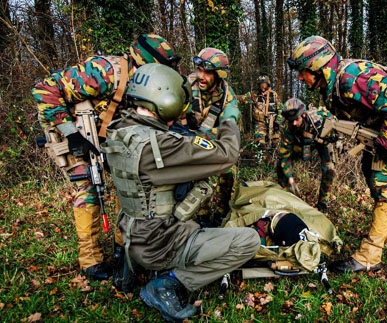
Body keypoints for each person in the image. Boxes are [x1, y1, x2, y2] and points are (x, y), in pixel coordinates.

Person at [102, 63, 260, 321]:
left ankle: (135, 271)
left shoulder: (120, 129)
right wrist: (230, 119)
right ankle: (168, 283)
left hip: (132, 236)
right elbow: (228, 155)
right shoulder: (160, 145)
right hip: (160, 245)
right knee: (248, 241)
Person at [287, 36, 387, 273]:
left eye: (302, 71)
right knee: (369, 166)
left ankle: (369, 255)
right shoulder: (334, 84)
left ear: (317, 66)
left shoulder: (352, 79)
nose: (300, 77)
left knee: (384, 178)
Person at [32, 34, 181, 280]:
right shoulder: (105, 72)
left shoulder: (144, 82)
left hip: (106, 139)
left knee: (131, 186)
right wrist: (71, 134)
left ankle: (122, 249)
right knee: (89, 191)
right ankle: (90, 262)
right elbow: (44, 89)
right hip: (74, 136)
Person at [183, 47, 239, 226]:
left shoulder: (227, 97)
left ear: (218, 75)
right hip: (187, 143)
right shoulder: (186, 87)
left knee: (228, 172)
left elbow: (229, 130)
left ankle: (221, 212)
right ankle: (202, 215)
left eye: (207, 73)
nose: (201, 76)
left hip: (214, 142)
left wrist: (208, 134)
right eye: (199, 70)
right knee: (196, 177)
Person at [278, 98, 336, 213]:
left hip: (321, 143)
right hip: (299, 144)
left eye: (296, 120)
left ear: (303, 115)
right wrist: (290, 178)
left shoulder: (320, 115)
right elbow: (285, 156)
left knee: (329, 169)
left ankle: (323, 203)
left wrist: (338, 138)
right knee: (281, 168)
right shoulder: (287, 129)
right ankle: (284, 200)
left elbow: (337, 123)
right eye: (290, 121)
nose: (293, 123)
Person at [236, 75, 283, 150]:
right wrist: (230, 97)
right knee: (260, 143)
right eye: (261, 85)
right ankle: (261, 158)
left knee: (275, 145)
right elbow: (242, 98)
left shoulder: (274, 95)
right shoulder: (255, 95)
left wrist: (277, 123)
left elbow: (281, 109)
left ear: (268, 84)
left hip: (273, 123)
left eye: (264, 84)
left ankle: (273, 159)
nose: (263, 87)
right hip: (260, 123)